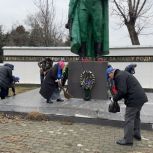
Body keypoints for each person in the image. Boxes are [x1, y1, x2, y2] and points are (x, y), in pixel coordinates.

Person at [106, 67, 148, 146]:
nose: (109, 78)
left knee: (129, 119)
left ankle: (127, 140)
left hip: (134, 99)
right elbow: (124, 90)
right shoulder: (122, 74)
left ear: (111, 72)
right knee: (136, 117)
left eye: (109, 76)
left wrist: (114, 99)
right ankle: (136, 134)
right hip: (140, 98)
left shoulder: (119, 76)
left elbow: (122, 91)